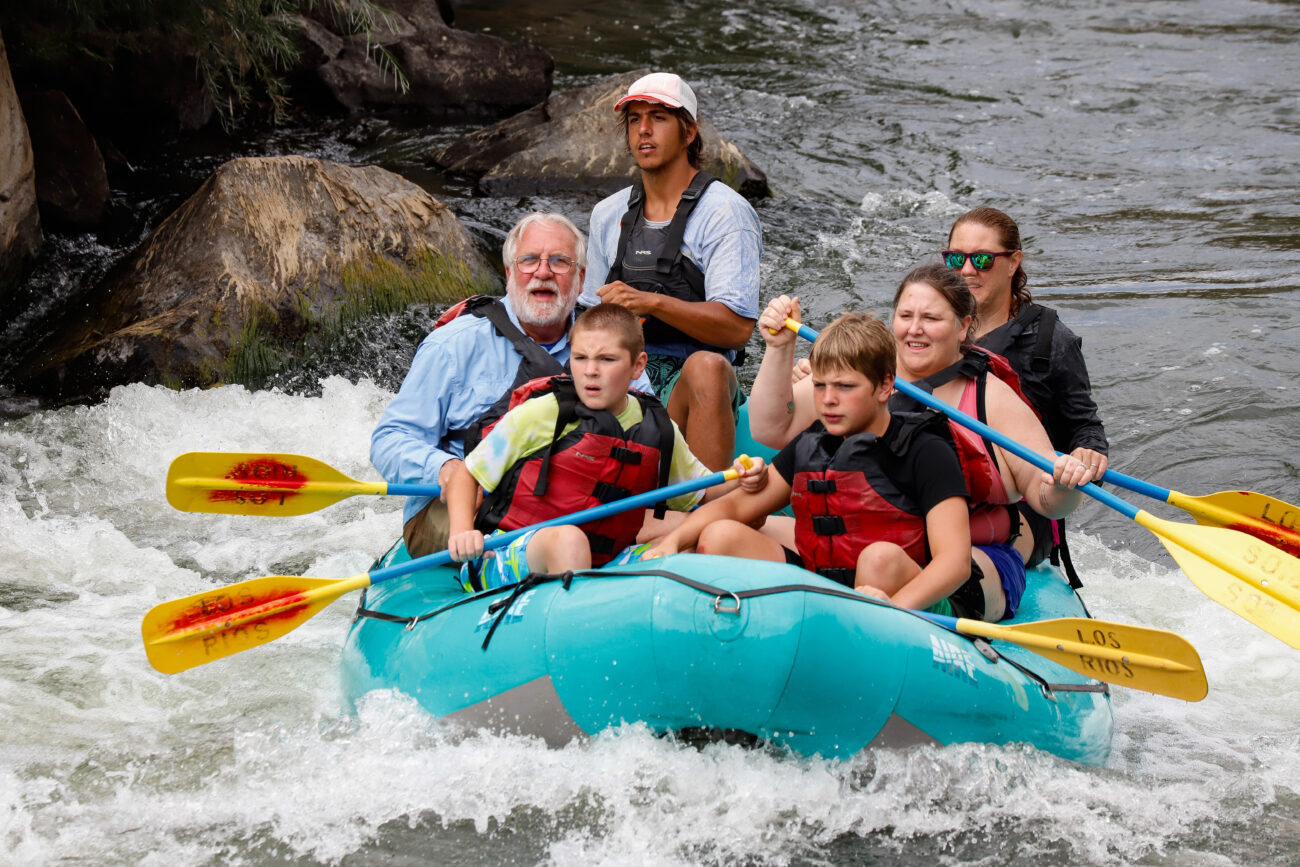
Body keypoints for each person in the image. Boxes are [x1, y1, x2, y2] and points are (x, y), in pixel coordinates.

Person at [748, 266, 1090, 620]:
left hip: (963, 551)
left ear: (962, 326)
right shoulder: (858, 376)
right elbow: (770, 429)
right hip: (859, 537)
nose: (914, 329)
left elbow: (1046, 499)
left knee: (883, 561)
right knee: (730, 532)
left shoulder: (992, 398)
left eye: (930, 318)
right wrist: (778, 348)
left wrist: (1064, 484)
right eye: (906, 316)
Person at [645, 313, 984, 614]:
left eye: (845, 387)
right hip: (828, 584)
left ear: (884, 387)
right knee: (720, 536)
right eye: (819, 386)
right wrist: (673, 541)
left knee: (879, 559)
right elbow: (734, 506)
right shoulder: (813, 443)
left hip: (903, 598)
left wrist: (891, 607)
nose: (828, 400)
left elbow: (955, 563)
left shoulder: (925, 449)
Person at [370, 212, 654, 559]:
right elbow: (389, 439)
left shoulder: (611, 342)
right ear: (509, 275)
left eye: (560, 262)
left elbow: (648, 431)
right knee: (553, 539)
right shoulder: (452, 345)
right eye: (529, 260)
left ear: (580, 279)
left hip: (579, 500)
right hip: (471, 510)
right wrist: (445, 469)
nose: (543, 271)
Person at [444, 304, 765, 590]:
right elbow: (466, 475)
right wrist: (461, 531)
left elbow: (701, 493)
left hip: (603, 557)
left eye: (606, 359)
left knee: (686, 548)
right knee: (569, 540)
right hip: (508, 551)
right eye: (581, 358)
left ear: (638, 366)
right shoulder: (544, 413)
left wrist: (740, 477)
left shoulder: (658, 428)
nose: (591, 371)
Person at [582, 71, 762, 471]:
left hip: (698, 382)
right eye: (634, 119)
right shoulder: (608, 215)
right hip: (627, 375)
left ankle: (705, 509)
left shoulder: (726, 213)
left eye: (659, 117)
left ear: (689, 132)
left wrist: (653, 303)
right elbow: (585, 321)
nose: (644, 130)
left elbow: (736, 329)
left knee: (707, 366)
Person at [945, 206, 1108, 577]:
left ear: (1013, 261)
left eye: (983, 259)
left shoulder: (1051, 342)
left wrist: (1088, 454)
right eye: (956, 258)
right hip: (946, 489)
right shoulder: (927, 331)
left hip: (1026, 503)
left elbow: (1084, 426)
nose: (967, 270)